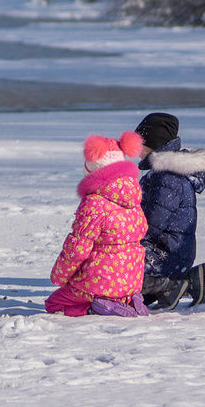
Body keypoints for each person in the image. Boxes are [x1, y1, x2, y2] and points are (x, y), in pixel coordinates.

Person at [46, 132, 149, 318]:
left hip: (100, 283)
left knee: (54, 303)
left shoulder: (94, 203)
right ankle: (130, 299)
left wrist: (59, 277)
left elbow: (77, 248)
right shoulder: (134, 199)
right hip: (131, 281)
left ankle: (96, 307)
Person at [133, 112, 205, 310]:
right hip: (173, 253)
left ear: (153, 142)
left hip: (165, 255)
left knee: (118, 270)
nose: (135, 151)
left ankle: (170, 286)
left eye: (138, 144)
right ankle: (189, 279)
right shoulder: (165, 172)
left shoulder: (167, 176)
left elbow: (153, 222)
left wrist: (126, 235)